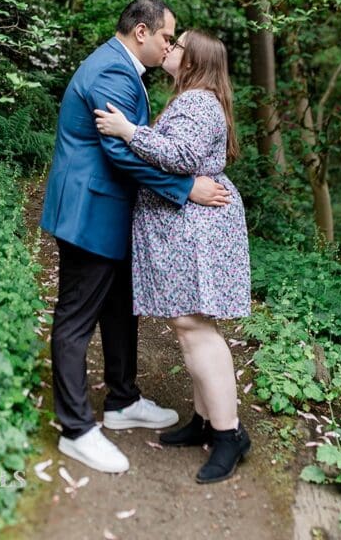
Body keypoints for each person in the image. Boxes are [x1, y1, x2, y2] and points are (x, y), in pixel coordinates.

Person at [40, 0, 231, 474]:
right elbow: (121, 153)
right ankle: (76, 430)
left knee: (122, 306)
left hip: (112, 212)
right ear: (142, 32)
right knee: (76, 317)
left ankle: (122, 401)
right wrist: (185, 188)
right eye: (168, 36)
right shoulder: (111, 71)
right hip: (89, 211)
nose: (170, 44)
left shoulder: (127, 71)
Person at [94, 28, 251, 484]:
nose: (170, 47)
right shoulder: (195, 99)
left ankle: (229, 434)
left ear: (194, 59)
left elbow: (179, 155)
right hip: (191, 227)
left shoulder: (198, 102)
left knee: (193, 325)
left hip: (198, 230)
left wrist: (128, 130)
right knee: (195, 323)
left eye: (177, 44)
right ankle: (206, 422)